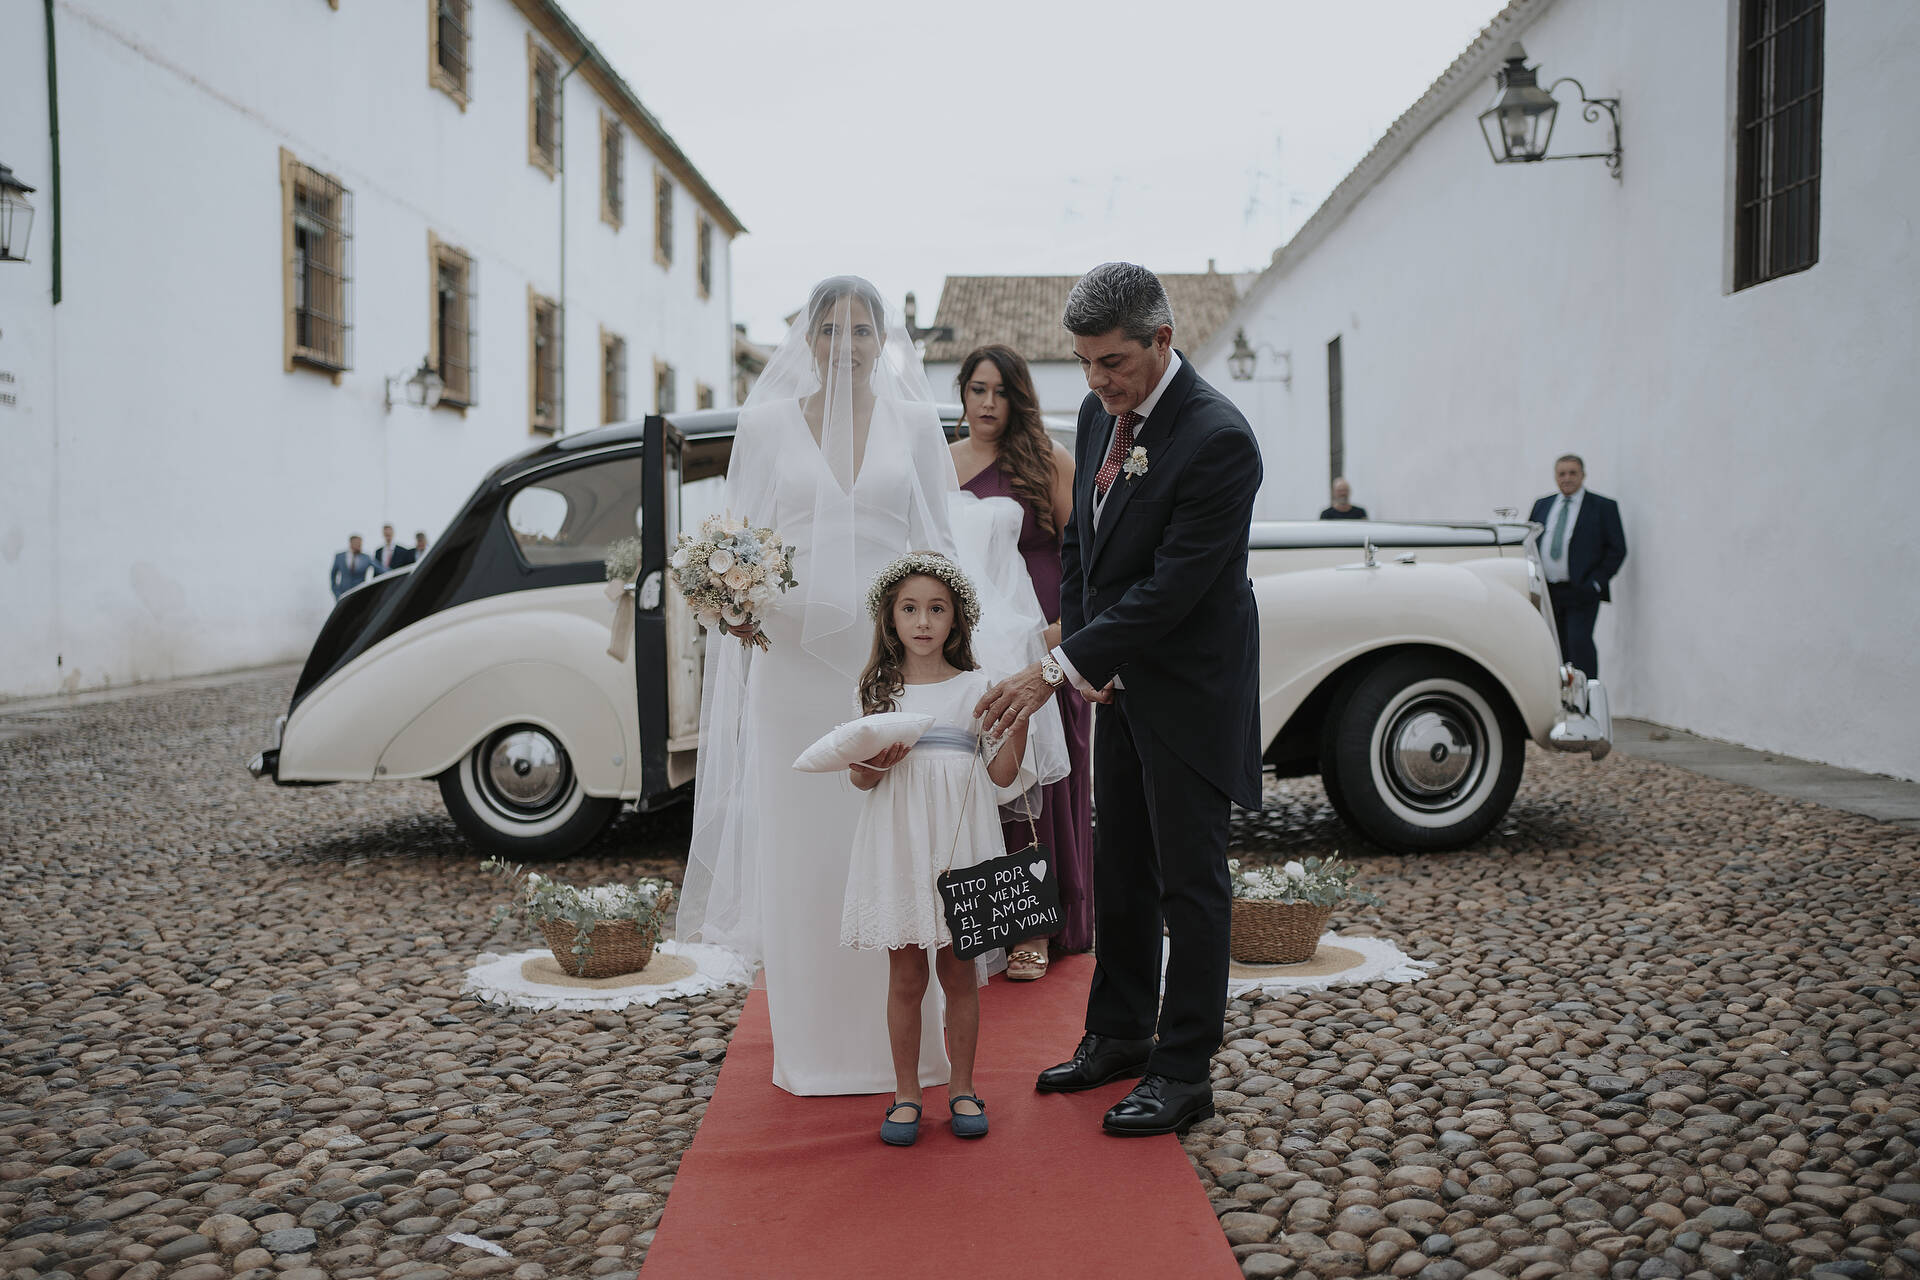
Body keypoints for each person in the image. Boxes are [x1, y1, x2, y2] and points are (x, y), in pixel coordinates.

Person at [673, 275, 1065, 1097]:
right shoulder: (768, 423)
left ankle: (912, 1061)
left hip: (894, 662)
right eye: (831, 329)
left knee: (905, 838)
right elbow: (735, 535)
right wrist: (728, 605)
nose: (846, 345)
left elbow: (937, 540)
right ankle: (815, 1048)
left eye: (861, 330)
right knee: (806, 843)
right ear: (808, 338)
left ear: (882, 340)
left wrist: (959, 649)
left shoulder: (914, 423)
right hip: (791, 660)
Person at [977, 262, 1263, 1138]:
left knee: (1190, 884)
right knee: (1122, 869)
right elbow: (1085, 550)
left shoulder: (1219, 438)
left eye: (1112, 362)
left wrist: (1055, 671)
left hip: (1190, 688)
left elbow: (1175, 588)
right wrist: (1083, 645)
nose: (1096, 380)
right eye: (1085, 362)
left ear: (1161, 340)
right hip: (1117, 683)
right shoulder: (1102, 416)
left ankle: (1184, 1070)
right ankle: (1120, 1032)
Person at [841, 554, 1026, 1145]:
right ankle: (905, 1093)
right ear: (890, 618)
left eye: (937, 609)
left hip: (959, 840)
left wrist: (1020, 720)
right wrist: (876, 762)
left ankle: (963, 1087)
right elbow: (860, 779)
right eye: (910, 608)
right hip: (898, 840)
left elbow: (1002, 775)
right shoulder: (878, 691)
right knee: (905, 975)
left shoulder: (976, 687)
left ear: (956, 619)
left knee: (959, 970)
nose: (923, 621)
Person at [951, 344, 1092, 977]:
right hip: (971, 642)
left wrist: (1068, 630)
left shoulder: (1047, 459)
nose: (988, 403)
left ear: (1019, 397)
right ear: (962, 393)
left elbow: (1084, 550)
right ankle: (989, 923)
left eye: (1002, 391)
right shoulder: (940, 463)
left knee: (1048, 785)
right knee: (983, 778)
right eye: (978, 389)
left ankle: (1043, 928)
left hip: (1047, 641)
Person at [1529, 454, 1627, 678]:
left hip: (1581, 591)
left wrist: (1596, 582)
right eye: (1562, 474)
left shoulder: (1603, 507)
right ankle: (1560, 695)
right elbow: (1531, 542)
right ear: (1555, 476)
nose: (1567, 478)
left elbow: (1617, 549)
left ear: (1583, 475)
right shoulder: (1543, 505)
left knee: (1579, 644)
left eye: (1572, 473)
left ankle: (1587, 695)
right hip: (1549, 591)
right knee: (1553, 647)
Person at [330, 535, 375, 599]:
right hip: (343, 594)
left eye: (360, 543)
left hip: (360, 594)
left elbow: (381, 569)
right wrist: (336, 593)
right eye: (357, 543)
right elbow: (333, 575)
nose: (360, 545)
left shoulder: (366, 558)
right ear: (351, 543)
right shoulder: (339, 557)